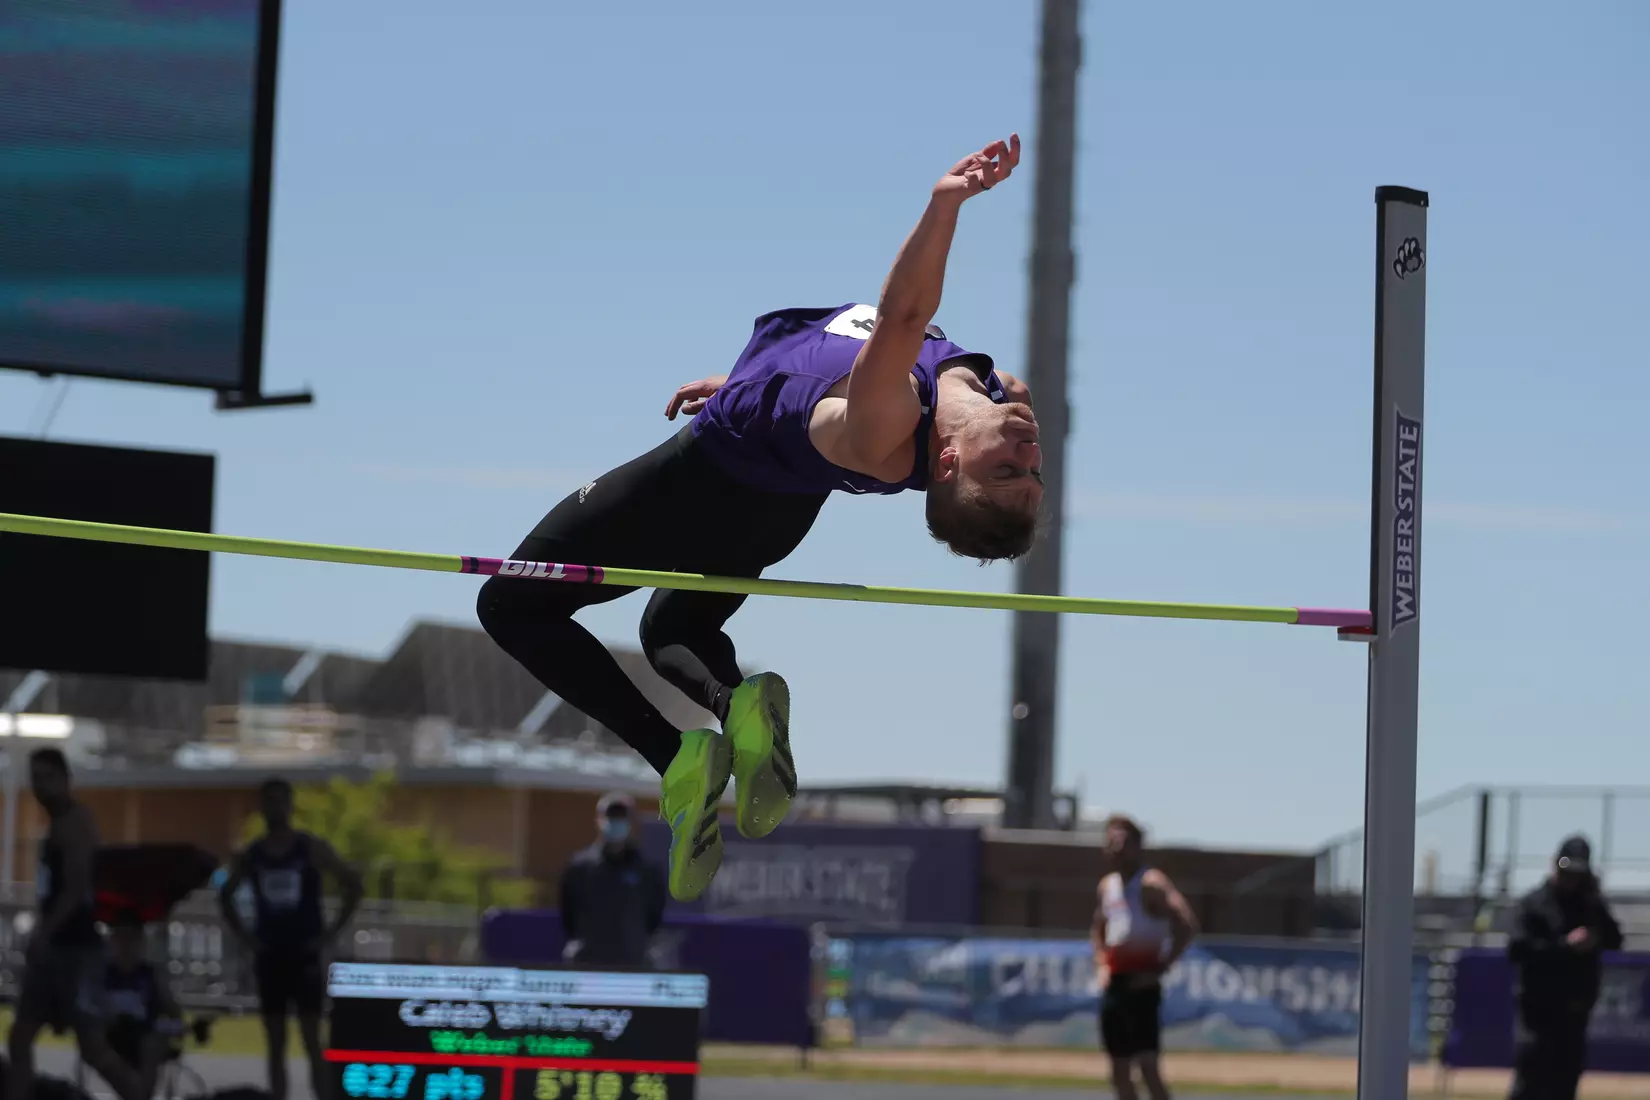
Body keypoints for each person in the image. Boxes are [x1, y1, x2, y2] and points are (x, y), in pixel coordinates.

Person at [478, 135, 1040, 902]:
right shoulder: (999, 389)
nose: (1027, 451)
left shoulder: (890, 420)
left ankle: (677, 759)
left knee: (510, 603)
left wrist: (945, 205)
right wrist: (754, 383)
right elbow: (830, 360)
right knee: (671, 633)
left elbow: (904, 316)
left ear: (946, 463)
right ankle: (734, 705)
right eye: (1032, 474)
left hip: (704, 483)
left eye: (1005, 469)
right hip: (774, 509)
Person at [7, 749, 145, 1100]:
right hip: (55, 947)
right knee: (20, 1035)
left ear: (66, 780)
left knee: (92, 1047)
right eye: (35, 778)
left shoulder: (76, 822)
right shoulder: (55, 823)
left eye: (48, 778)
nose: (41, 787)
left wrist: (45, 932)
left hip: (76, 948)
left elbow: (75, 889)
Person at [218, 777, 364, 1100]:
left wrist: (329, 933)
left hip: (304, 952)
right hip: (270, 953)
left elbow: (353, 884)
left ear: (290, 805)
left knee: (312, 1037)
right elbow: (225, 895)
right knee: (275, 1041)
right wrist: (246, 938)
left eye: (280, 801)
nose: (274, 808)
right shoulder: (253, 854)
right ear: (261, 807)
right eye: (268, 801)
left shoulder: (309, 847)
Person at [1507, 835, 1623, 1100]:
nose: (1571, 879)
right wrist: (1564, 946)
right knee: (1530, 1082)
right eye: (1566, 871)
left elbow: (1615, 939)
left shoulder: (1589, 904)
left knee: (1565, 1084)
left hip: (1574, 1012)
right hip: (1538, 1013)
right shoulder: (1535, 904)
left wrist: (1595, 935)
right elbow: (1517, 949)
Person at [1090, 815, 1198, 1100]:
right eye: (1110, 842)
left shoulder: (1151, 883)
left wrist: (1160, 968)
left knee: (1148, 1067)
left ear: (1137, 846)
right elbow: (1099, 927)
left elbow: (1186, 925)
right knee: (1118, 1069)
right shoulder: (1107, 886)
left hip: (1142, 983)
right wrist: (1102, 963)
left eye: (1122, 842)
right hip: (1116, 981)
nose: (1115, 849)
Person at [559, 793, 668, 968]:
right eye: (611, 817)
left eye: (621, 817)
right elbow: (568, 913)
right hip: (588, 961)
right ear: (598, 820)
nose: (615, 823)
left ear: (631, 822)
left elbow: (654, 915)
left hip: (632, 962)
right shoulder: (580, 868)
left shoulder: (647, 871)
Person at [101, 909, 184, 1100]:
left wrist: (174, 1017)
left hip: (145, 1036)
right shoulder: (102, 975)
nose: (125, 944)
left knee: (151, 1044)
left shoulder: (150, 975)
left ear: (140, 941)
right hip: (111, 1036)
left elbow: (172, 1010)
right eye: (120, 937)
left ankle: (140, 1095)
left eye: (131, 937)